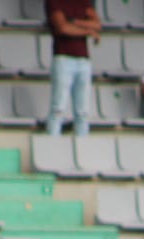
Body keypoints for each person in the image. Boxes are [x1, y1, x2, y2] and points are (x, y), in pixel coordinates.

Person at [44, 0, 101, 137]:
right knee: (58, 107)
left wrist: (74, 21)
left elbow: (97, 24)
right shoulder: (54, 2)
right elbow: (63, 27)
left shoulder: (83, 2)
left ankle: (82, 143)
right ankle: (52, 142)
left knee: (83, 111)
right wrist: (87, 30)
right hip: (63, 57)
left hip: (83, 60)